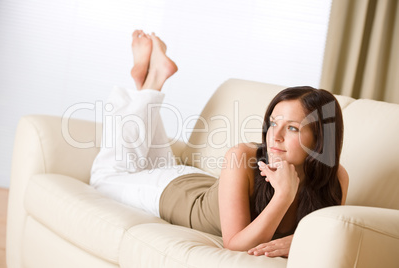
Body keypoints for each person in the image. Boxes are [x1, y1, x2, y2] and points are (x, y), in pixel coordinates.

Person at [90, 30, 349, 258]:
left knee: (146, 159)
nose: (275, 136)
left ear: (321, 139)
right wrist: (283, 195)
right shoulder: (242, 156)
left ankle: (150, 82)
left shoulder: (335, 178)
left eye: (292, 128)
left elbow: (324, 235)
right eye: (273, 123)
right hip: (173, 193)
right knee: (104, 178)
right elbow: (234, 244)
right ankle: (149, 82)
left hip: (201, 184)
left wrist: (300, 242)